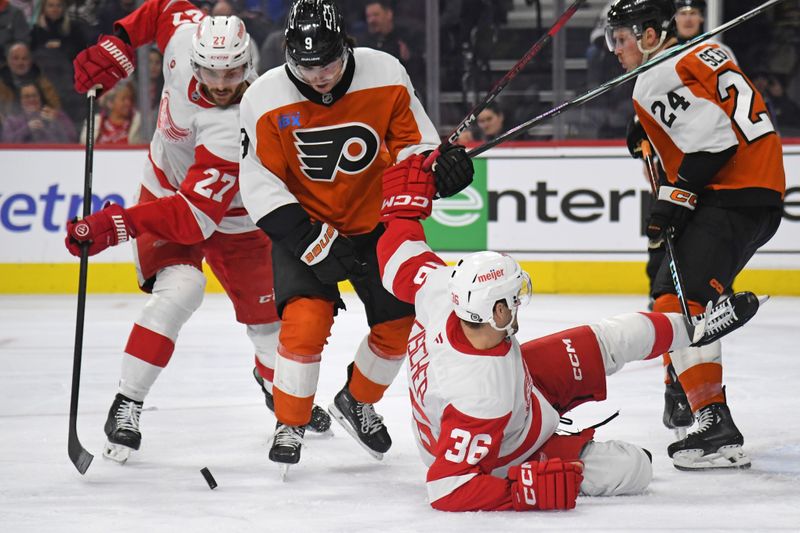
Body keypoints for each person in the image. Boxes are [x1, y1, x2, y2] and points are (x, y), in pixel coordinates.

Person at [373, 148, 763, 511]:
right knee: (635, 467)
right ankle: (550, 448)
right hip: (508, 446)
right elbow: (447, 488)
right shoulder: (480, 399)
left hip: (517, 386)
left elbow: (397, 250)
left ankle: (690, 329)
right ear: (494, 312)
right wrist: (522, 492)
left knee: (606, 339)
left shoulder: (442, 289)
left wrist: (405, 206)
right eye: (511, 299)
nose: (518, 302)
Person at [64, 0, 332, 465]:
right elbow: (162, 9)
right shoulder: (186, 38)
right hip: (165, 189)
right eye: (211, 73)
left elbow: (194, 219)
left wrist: (117, 224)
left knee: (268, 329)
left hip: (236, 220)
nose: (222, 85)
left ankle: (276, 388)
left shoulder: (239, 120)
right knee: (180, 290)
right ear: (193, 60)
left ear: (248, 63)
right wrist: (119, 45)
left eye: (232, 74)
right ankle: (127, 402)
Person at [239, 0, 473, 472]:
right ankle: (290, 421)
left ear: (346, 45)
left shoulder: (383, 71)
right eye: (306, 66)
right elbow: (259, 180)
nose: (319, 75)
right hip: (305, 223)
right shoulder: (263, 97)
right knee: (305, 323)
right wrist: (307, 237)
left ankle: (358, 401)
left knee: (399, 321)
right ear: (287, 54)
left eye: (328, 62)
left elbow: (414, 144)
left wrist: (439, 169)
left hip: (377, 221)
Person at [608, 0, 785, 469]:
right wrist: (647, 128)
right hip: (759, 194)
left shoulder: (655, 76)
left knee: (674, 300)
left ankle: (714, 424)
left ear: (649, 36)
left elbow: (712, 139)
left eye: (621, 38)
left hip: (729, 193)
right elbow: (713, 116)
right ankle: (682, 389)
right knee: (689, 298)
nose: (616, 49)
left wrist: (673, 199)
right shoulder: (706, 53)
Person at [0, 42, 63, 119]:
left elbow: (56, 108)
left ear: (30, 61)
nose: (20, 62)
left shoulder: (43, 82)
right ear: (8, 61)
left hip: (41, 124)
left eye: (24, 58)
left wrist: (53, 114)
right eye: (16, 58)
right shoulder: (1, 84)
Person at [1, 81, 76, 142]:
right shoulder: (12, 120)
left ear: (41, 97)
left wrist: (55, 122)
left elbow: (72, 139)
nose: (31, 99)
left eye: (34, 95)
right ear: (20, 100)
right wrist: (27, 128)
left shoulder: (57, 115)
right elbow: (6, 142)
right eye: (27, 96)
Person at [80, 80, 143, 144]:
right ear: (110, 103)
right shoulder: (94, 122)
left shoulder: (138, 122)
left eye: (130, 99)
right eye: (123, 99)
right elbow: (84, 146)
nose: (128, 103)